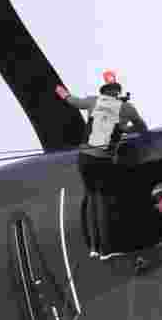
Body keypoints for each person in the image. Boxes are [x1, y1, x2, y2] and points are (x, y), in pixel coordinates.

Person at [56, 71, 149, 260]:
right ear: (118, 92)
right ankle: (106, 250)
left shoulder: (93, 101)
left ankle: (93, 247)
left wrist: (61, 92)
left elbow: (71, 101)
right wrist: (124, 130)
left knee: (91, 199)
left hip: (84, 158)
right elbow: (142, 129)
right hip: (103, 161)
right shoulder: (127, 108)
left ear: (103, 91)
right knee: (102, 203)